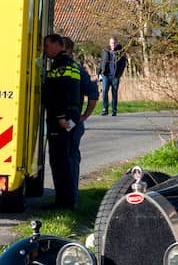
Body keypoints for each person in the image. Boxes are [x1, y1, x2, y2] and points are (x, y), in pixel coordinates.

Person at [42, 33, 82, 209]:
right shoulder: (70, 64)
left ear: (59, 45)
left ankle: (63, 203)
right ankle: (66, 200)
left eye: (47, 45)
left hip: (61, 120)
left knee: (60, 161)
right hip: (69, 117)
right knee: (64, 160)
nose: (45, 49)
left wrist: (60, 117)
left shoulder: (61, 65)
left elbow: (59, 93)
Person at [64, 37, 99, 190]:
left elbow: (93, 94)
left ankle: (70, 196)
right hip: (69, 120)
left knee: (70, 157)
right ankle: (66, 197)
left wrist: (84, 116)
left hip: (72, 120)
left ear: (68, 50)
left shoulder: (77, 70)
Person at [99, 37, 127, 116]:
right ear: (109, 43)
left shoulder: (120, 52)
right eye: (111, 43)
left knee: (114, 93)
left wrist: (119, 74)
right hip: (106, 75)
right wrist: (99, 73)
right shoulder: (105, 51)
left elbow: (123, 63)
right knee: (104, 92)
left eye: (114, 43)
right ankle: (105, 109)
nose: (113, 45)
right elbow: (101, 62)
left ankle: (114, 110)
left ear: (117, 43)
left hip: (115, 76)